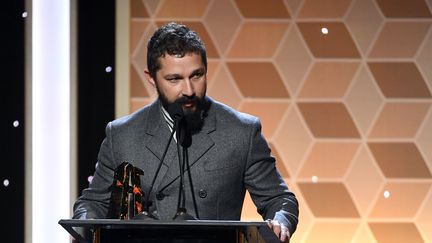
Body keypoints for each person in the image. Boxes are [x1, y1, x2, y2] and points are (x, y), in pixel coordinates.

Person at [73, 22, 299, 242]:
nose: (189, 90)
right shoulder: (123, 134)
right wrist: (85, 227)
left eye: (197, 75)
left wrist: (280, 222)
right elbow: (94, 202)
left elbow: (279, 199)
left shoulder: (241, 132)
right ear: (151, 78)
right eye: (175, 79)